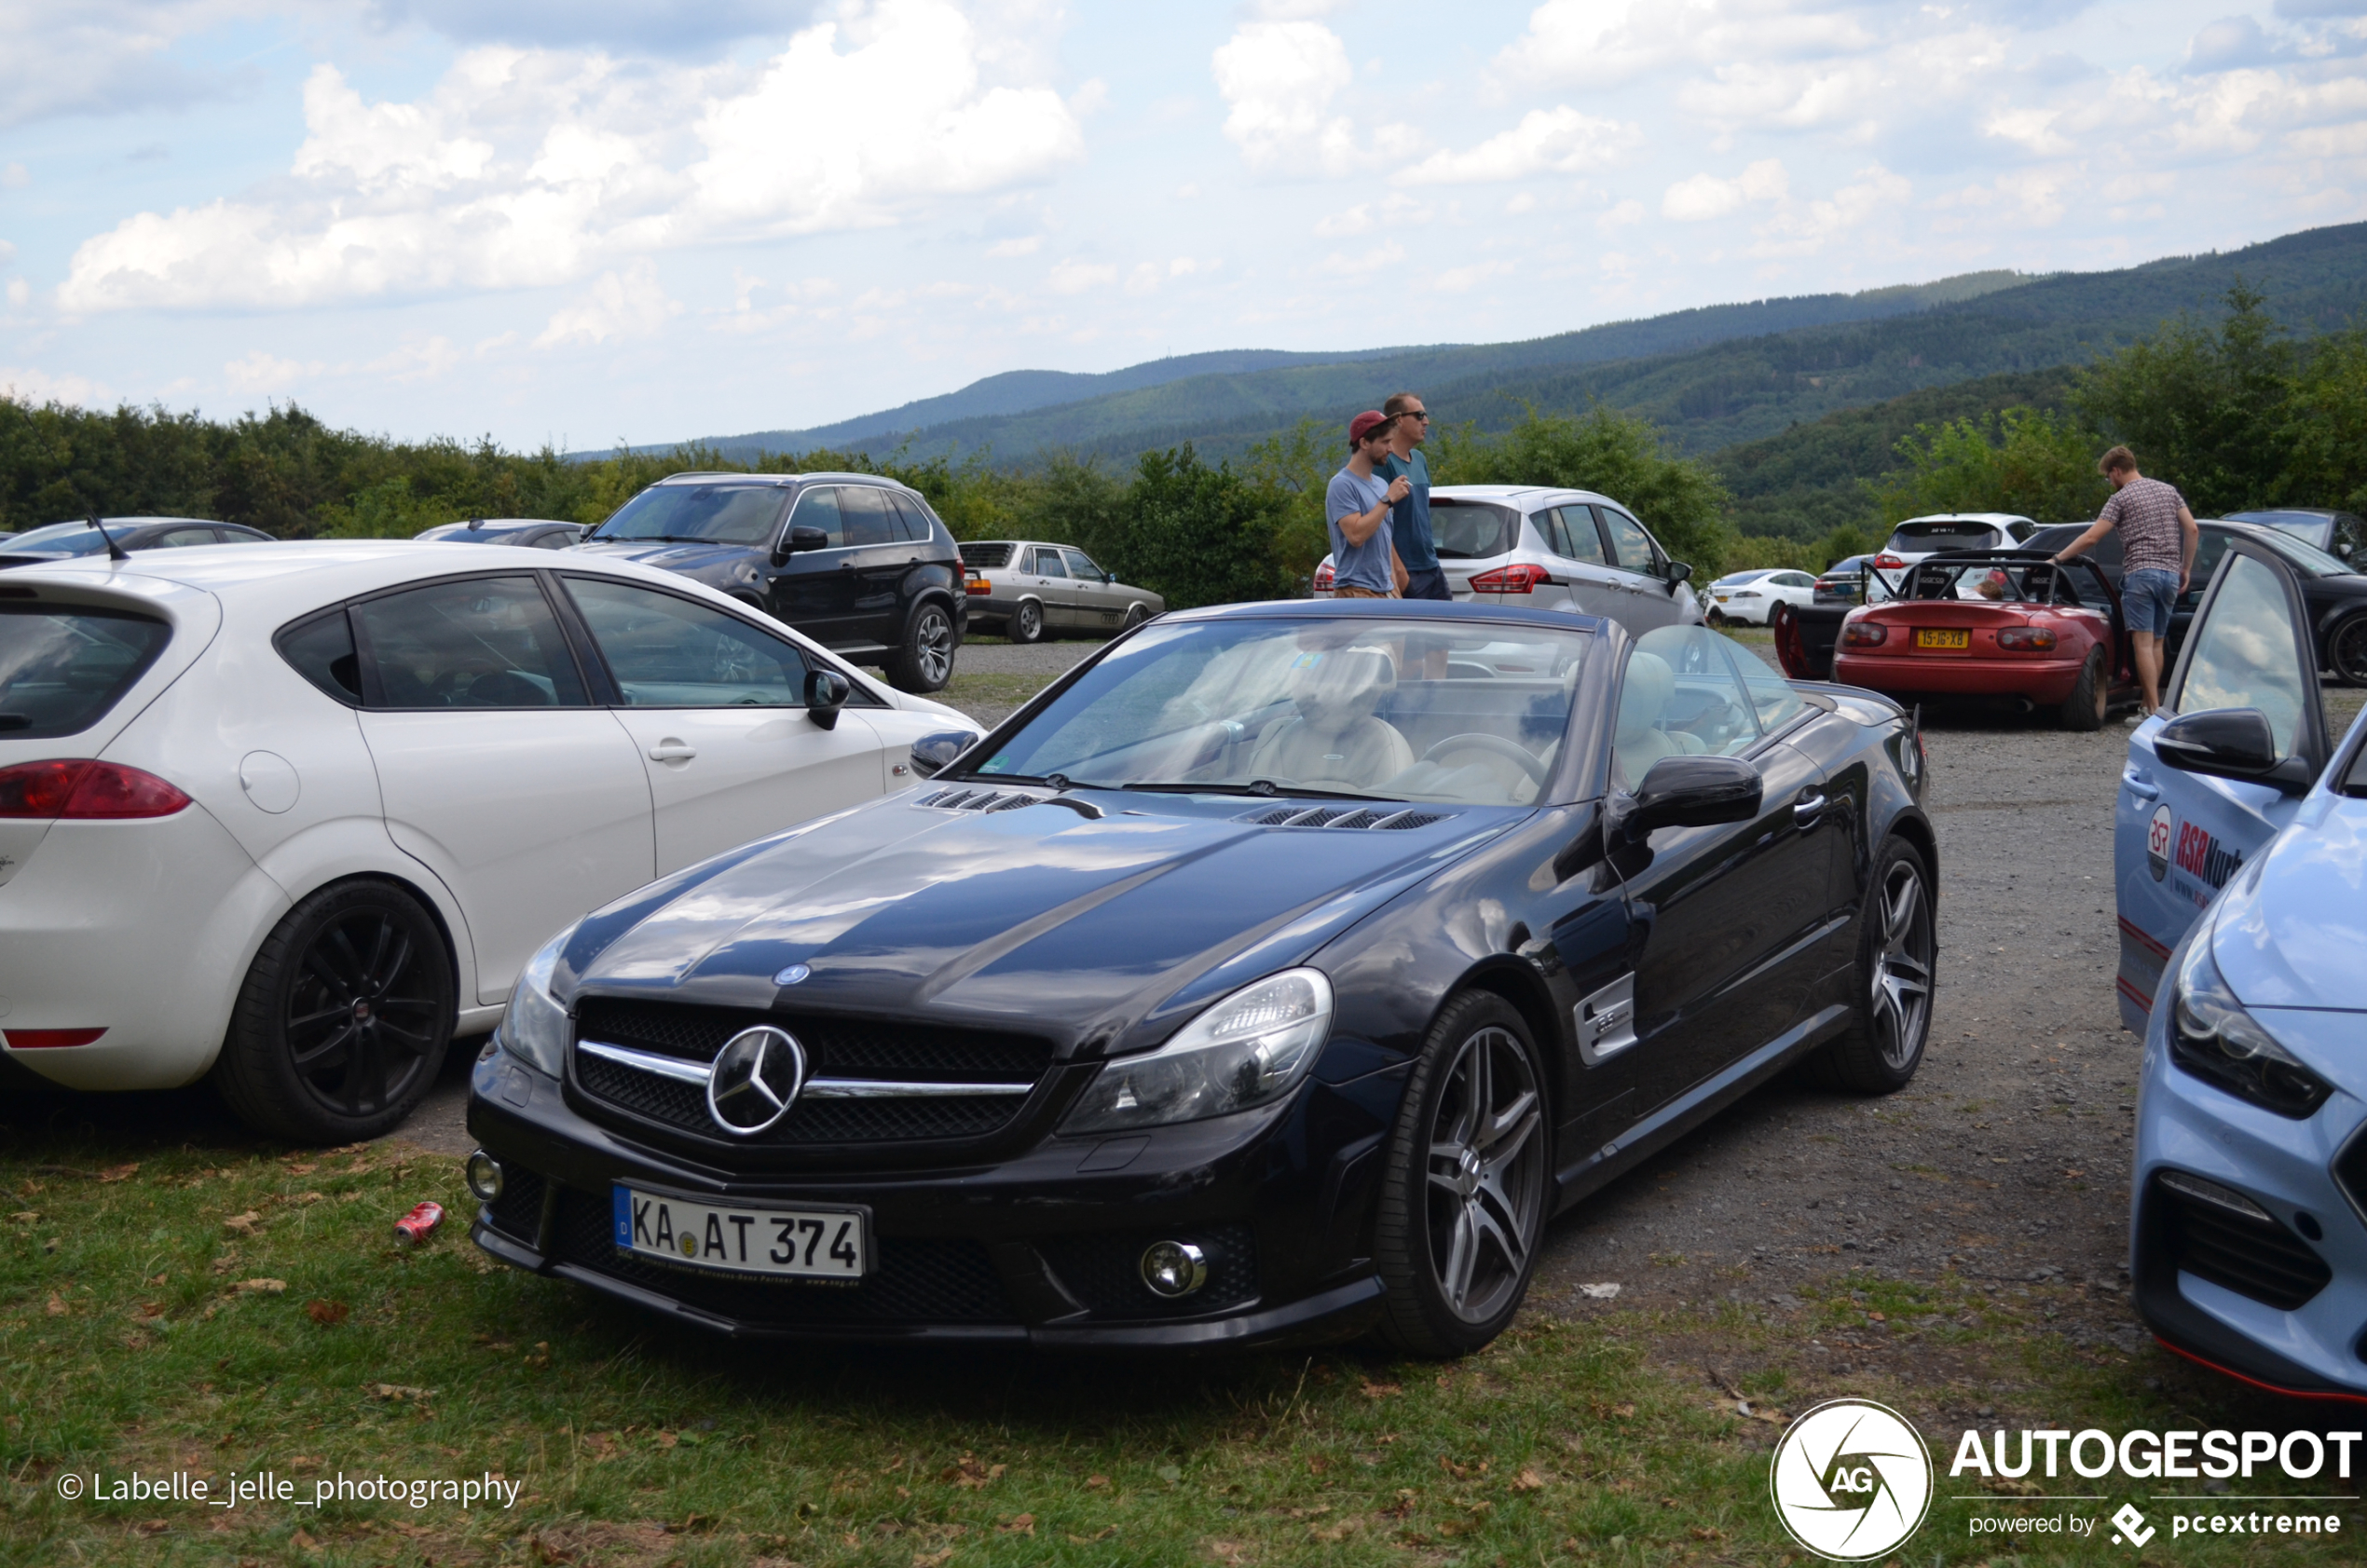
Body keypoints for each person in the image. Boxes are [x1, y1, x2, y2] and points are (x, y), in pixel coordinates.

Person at [2049, 445, 2198, 721]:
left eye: (2108, 476)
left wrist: (2057, 558)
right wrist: (2186, 567)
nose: (2110, 482)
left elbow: (2092, 538)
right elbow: (2192, 529)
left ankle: (2153, 713)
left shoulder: (2120, 499)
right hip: (2168, 575)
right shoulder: (2168, 491)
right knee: (2156, 642)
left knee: (2141, 644)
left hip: (2141, 574)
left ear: (2116, 470)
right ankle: (2149, 705)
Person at [1325, 411, 1410, 599]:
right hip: (1356, 590)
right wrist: (1387, 500)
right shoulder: (1341, 484)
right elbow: (1356, 535)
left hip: (1385, 589)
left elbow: (1383, 538)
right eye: (1385, 442)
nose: (1391, 448)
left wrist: (1395, 579)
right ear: (1364, 443)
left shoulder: (1380, 484)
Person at [1378, 391, 1445, 601]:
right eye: (1419, 415)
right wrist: (1399, 572)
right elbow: (1378, 521)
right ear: (1399, 420)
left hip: (1431, 566)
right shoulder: (1384, 463)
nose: (1426, 421)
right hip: (1407, 571)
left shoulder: (1419, 459)